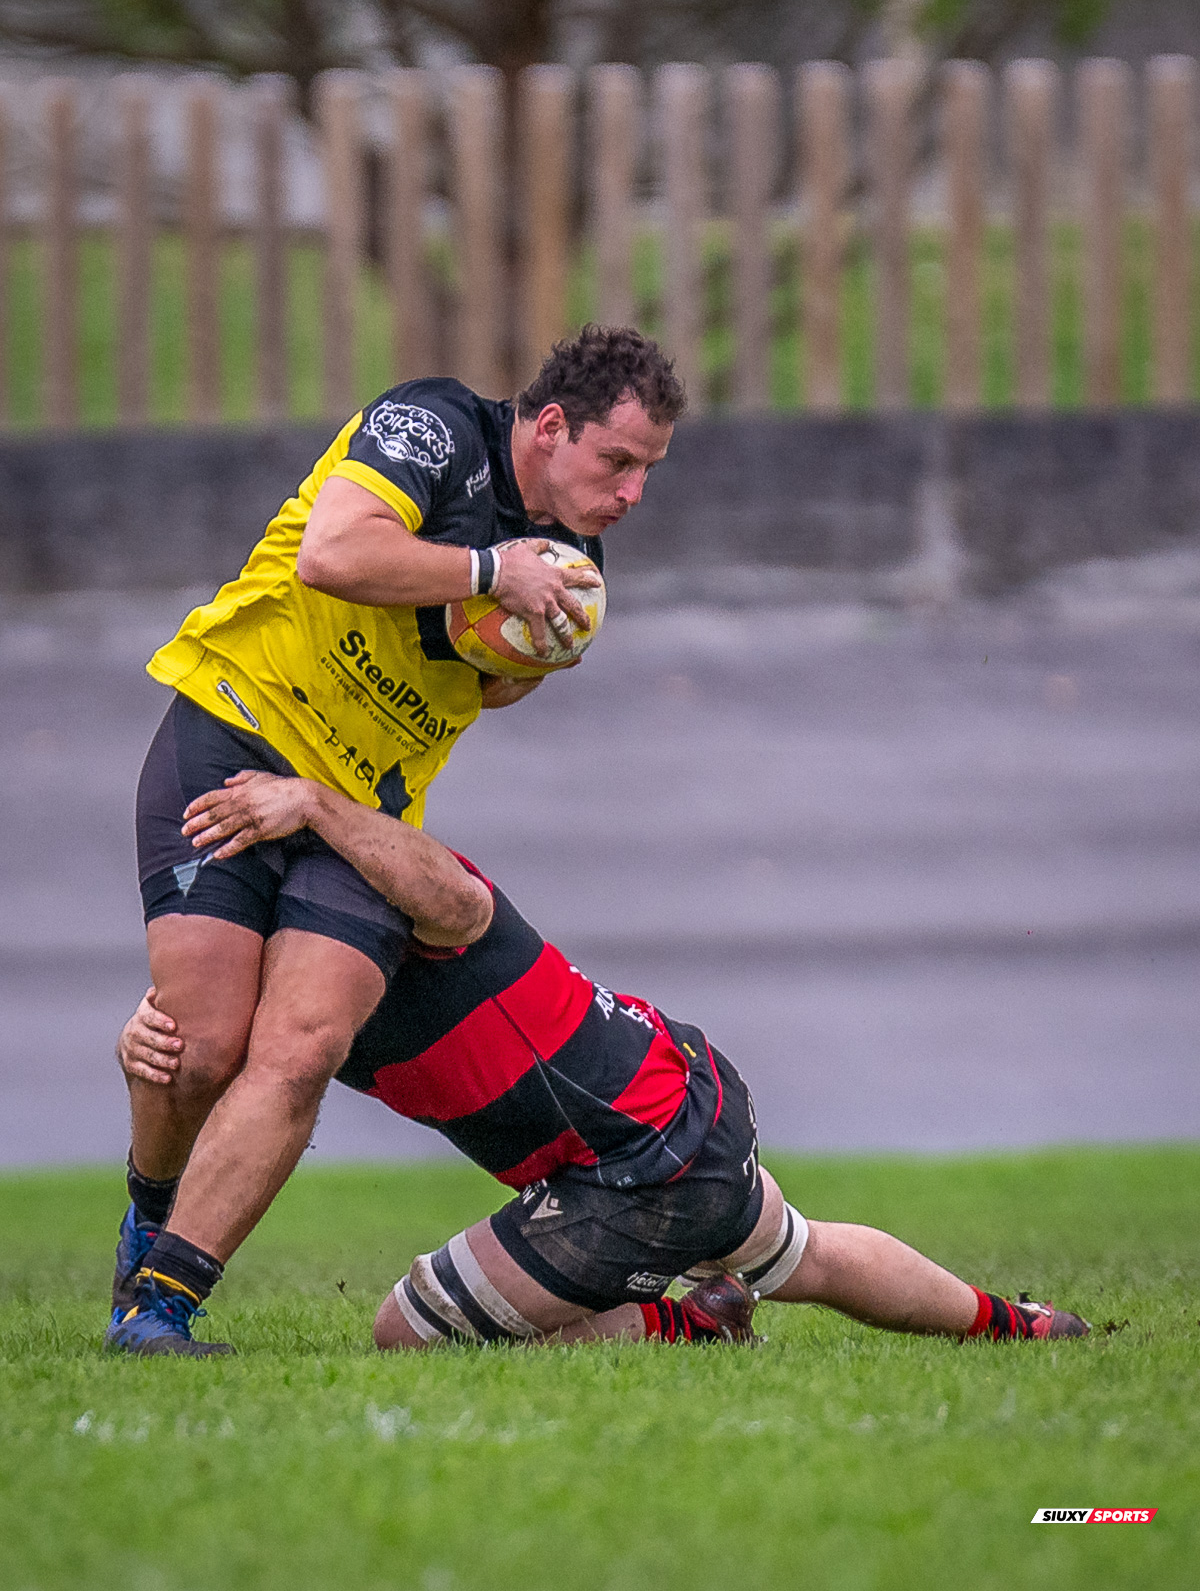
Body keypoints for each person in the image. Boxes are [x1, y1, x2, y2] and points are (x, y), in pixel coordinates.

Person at [111, 326, 684, 1356]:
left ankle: (160, 1306)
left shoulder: (569, 561)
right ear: (551, 427)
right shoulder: (431, 426)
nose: (632, 492)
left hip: (357, 812)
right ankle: (147, 1210)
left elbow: (492, 685)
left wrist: (526, 654)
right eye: (619, 461)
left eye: (648, 470)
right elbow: (334, 553)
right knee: (199, 1053)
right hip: (235, 730)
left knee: (303, 1047)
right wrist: (485, 574)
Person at [114, 769, 1090, 1355]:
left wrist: (319, 805)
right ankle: (1021, 1326)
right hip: (677, 1110)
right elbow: (225, 1076)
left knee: (407, 1331)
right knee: (805, 1255)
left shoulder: (389, 891)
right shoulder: (290, 985)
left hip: (636, 1164)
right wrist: (141, 1055)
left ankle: (691, 1331)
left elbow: (451, 897)